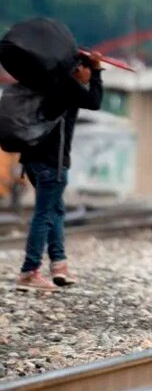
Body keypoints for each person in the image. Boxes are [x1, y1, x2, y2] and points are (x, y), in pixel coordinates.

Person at [15, 51, 103, 291]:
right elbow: (95, 101)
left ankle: (59, 265)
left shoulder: (44, 84)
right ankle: (29, 271)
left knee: (55, 210)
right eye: (88, 68)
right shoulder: (68, 87)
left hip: (32, 160)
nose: (89, 74)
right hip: (52, 163)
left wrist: (91, 69)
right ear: (78, 68)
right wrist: (96, 73)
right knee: (44, 214)